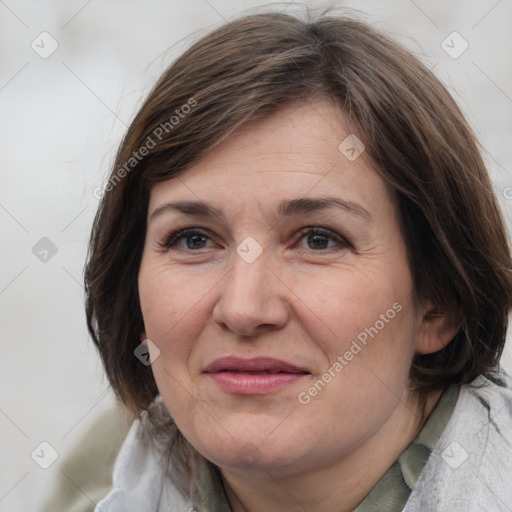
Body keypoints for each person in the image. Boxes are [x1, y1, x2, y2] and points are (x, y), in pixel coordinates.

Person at [43, 7, 512, 512]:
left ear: (440, 301)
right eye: (194, 240)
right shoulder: (97, 473)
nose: (244, 309)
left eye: (317, 240)